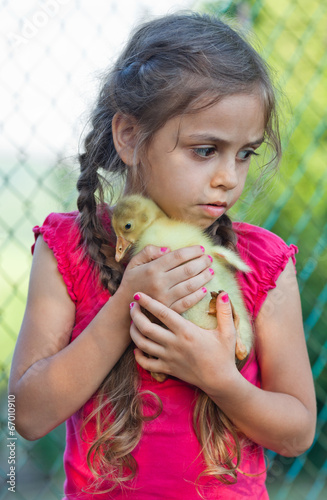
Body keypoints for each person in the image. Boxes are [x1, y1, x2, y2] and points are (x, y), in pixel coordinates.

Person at [9, 11, 316, 499]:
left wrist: (219, 379)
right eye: (205, 150)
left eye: (244, 154)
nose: (228, 178)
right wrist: (122, 306)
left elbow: (297, 431)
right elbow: (24, 414)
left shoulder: (262, 262)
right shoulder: (69, 249)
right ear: (130, 136)